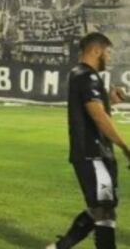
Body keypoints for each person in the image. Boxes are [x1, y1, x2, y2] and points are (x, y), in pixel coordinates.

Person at [48, 32, 130, 249]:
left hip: (92, 153)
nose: (110, 58)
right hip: (94, 154)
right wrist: (125, 146)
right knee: (104, 209)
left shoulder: (80, 74)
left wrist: (108, 100)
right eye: (108, 52)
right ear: (97, 51)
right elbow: (98, 117)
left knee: (99, 207)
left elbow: (94, 112)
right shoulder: (87, 76)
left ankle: (59, 247)